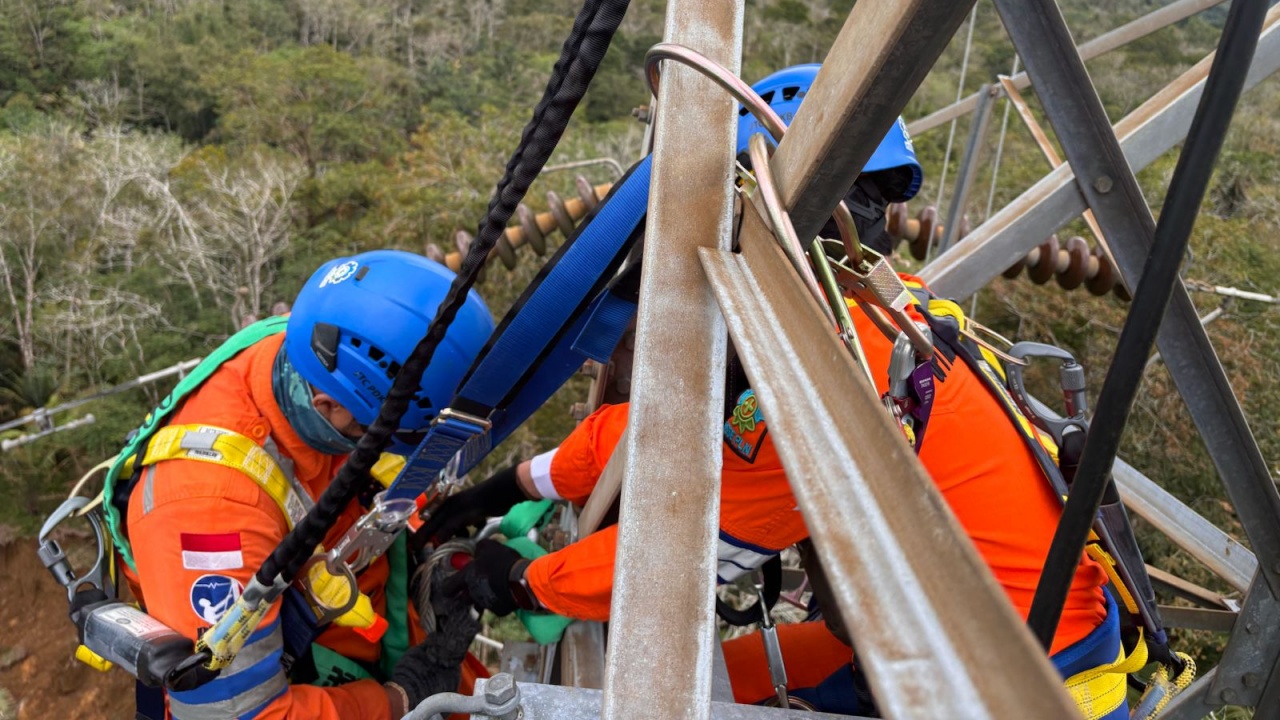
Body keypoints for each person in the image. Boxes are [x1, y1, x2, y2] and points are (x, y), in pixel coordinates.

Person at [420, 65, 1129, 720]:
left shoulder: (827, 365)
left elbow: (685, 556)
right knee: (721, 677)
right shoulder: (876, 311)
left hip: (1008, 683)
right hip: (966, 627)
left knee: (666, 699)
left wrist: (523, 582)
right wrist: (515, 484)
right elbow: (668, 422)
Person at [114, 250, 494, 720]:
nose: (399, 446)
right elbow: (239, 713)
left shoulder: (308, 343)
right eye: (395, 434)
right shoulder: (209, 511)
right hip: (303, 673)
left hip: (346, 617)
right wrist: (400, 700)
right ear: (329, 405)